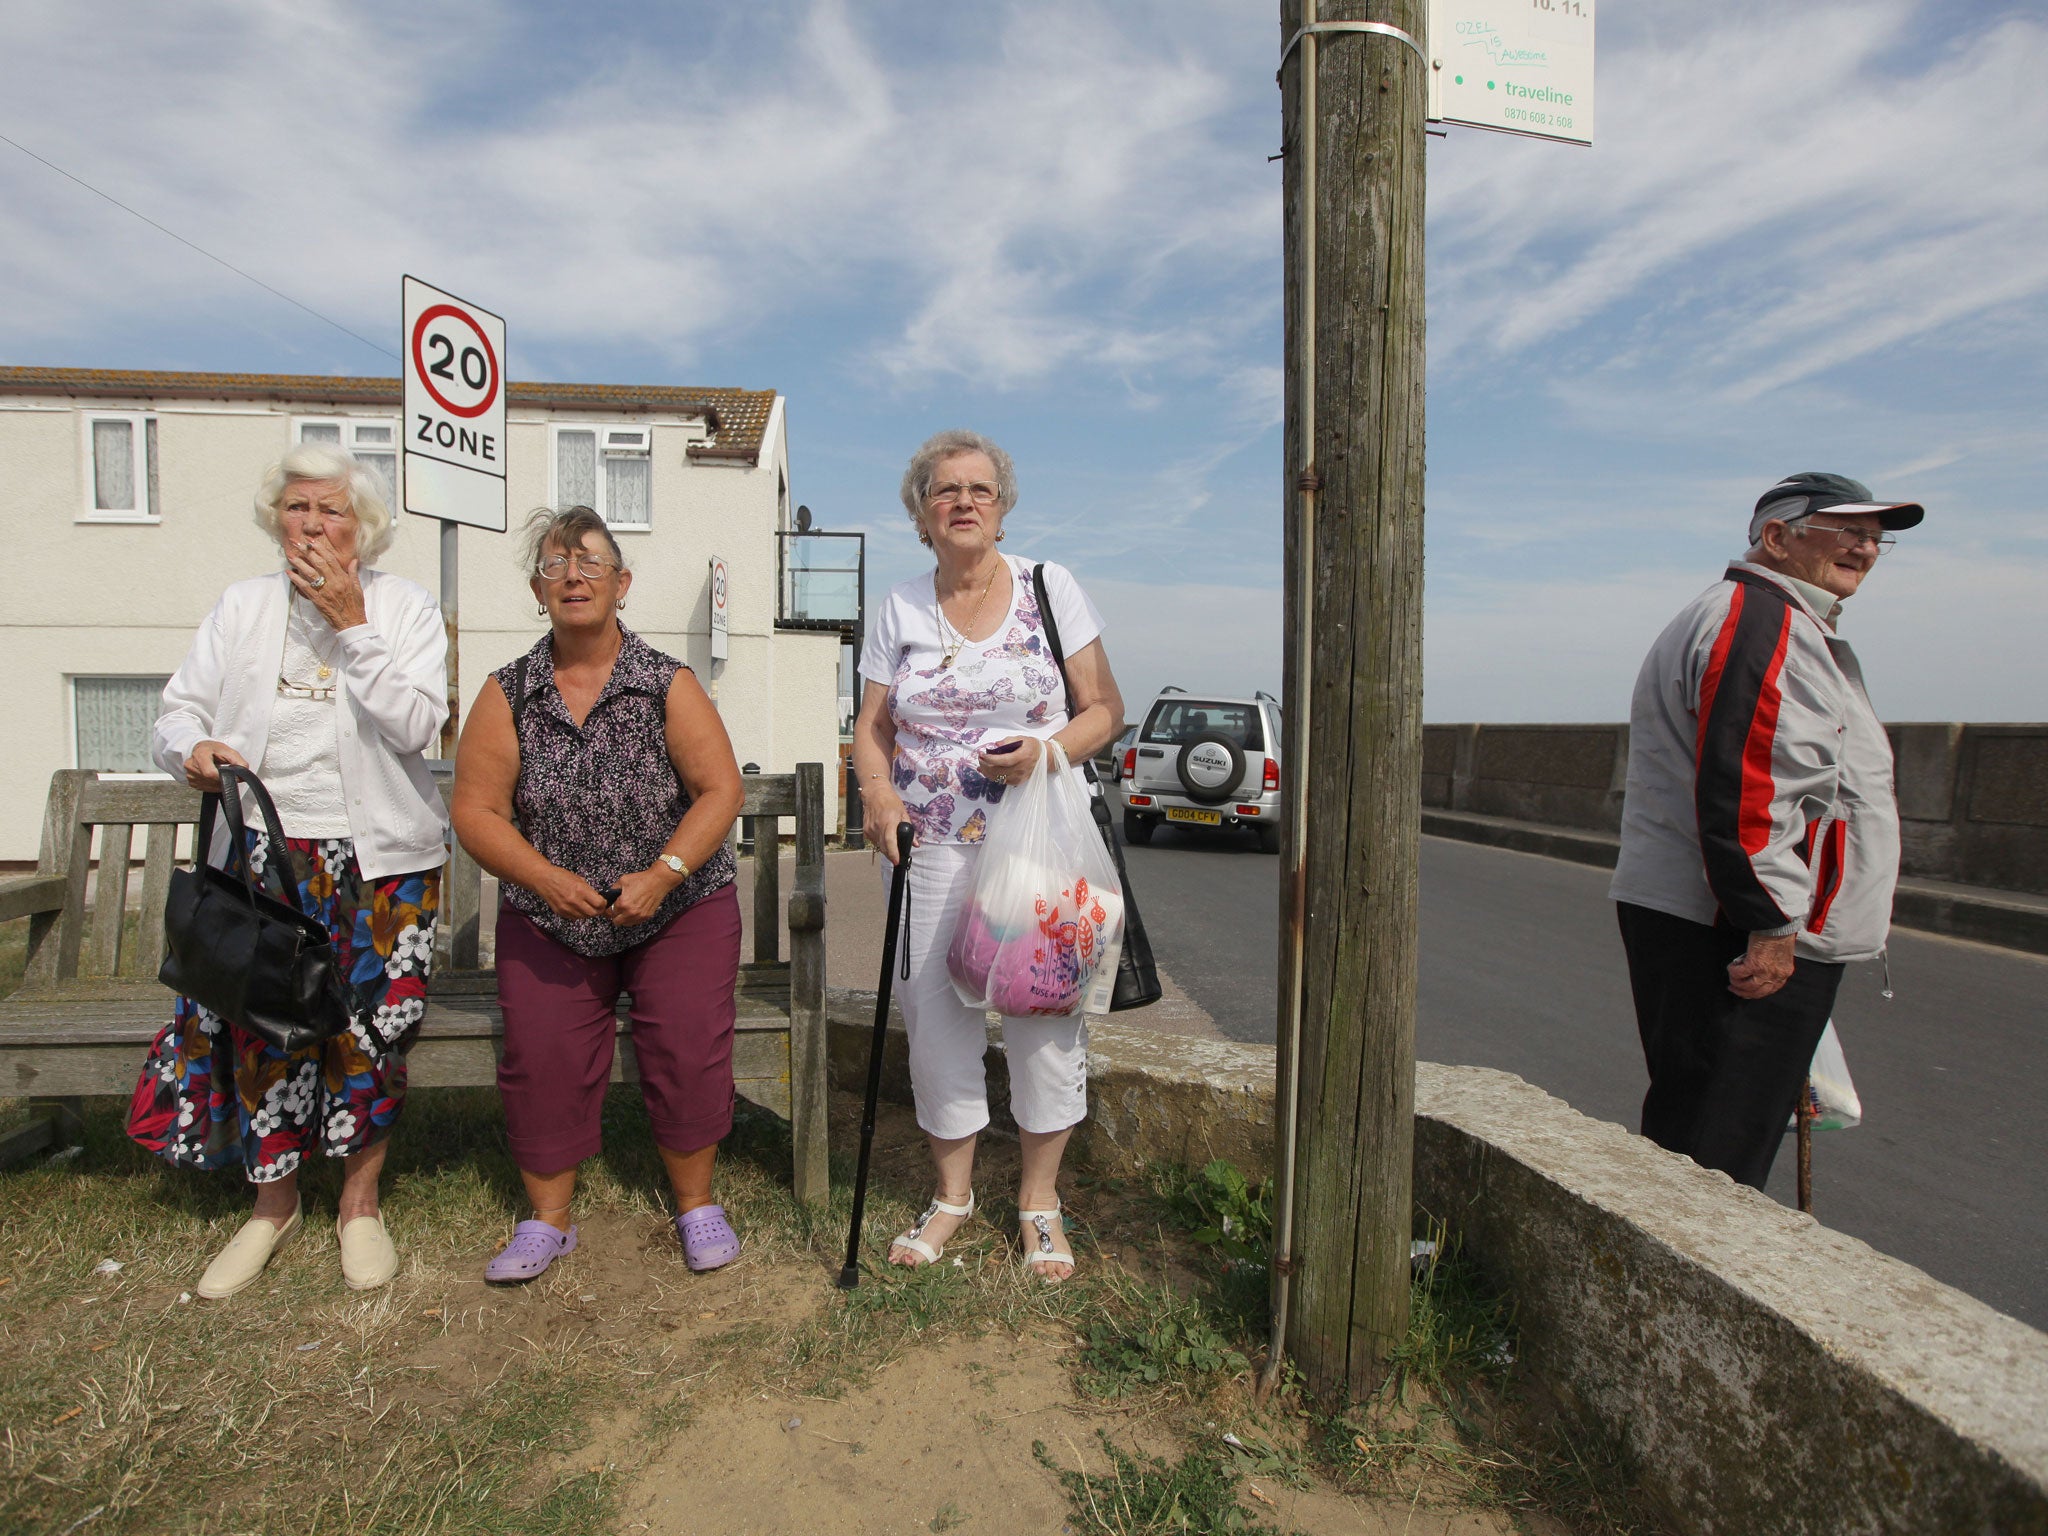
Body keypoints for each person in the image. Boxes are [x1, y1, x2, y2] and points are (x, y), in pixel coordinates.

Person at [128, 442, 449, 1297]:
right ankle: (272, 1207)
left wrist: (353, 624)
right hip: (264, 856)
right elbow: (176, 713)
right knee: (257, 1024)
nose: (310, 523)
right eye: (298, 507)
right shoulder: (241, 608)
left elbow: (419, 726)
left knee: (374, 1032)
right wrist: (190, 748)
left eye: (331, 509)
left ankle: (358, 1205)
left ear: (364, 528)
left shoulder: (405, 608)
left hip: (382, 862)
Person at [850, 429, 1125, 1282]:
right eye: (944, 491)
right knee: (935, 1018)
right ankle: (953, 1197)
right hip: (931, 843)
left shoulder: (1051, 587)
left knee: (1044, 1014)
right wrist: (879, 794)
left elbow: (1104, 708)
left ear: (1002, 511)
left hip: (1038, 841)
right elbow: (872, 728)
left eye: (980, 490)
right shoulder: (898, 607)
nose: (963, 501)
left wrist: (1045, 754)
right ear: (921, 515)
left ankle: (1040, 1204)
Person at [451, 506, 746, 1282]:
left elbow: (720, 790)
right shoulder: (507, 693)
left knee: (685, 1038)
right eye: (555, 565)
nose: (572, 576)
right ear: (536, 588)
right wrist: (542, 878)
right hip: (553, 918)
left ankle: (696, 1206)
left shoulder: (665, 683)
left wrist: (663, 875)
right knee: (540, 1053)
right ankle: (549, 1221)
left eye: (589, 563)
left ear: (622, 583)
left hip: (678, 908)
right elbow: (476, 811)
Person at [1609, 471, 1924, 1190]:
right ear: (1777, 538)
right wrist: (1773, 925)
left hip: (1715, 915)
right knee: (1717, 1158)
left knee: (1696, 1132)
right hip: (1735, 927)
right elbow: (1753, 788)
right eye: (1846, 530)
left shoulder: (1759, 616)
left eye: (1876, 539)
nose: (1865, 550)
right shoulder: (1765, 621)